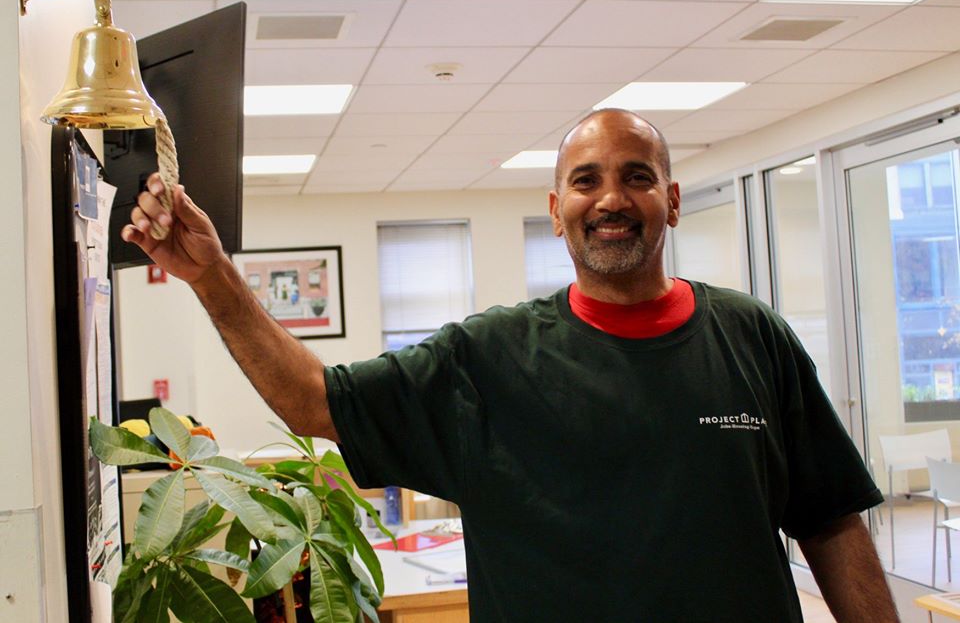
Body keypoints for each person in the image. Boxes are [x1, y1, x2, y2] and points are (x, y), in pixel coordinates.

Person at [123, 108, 899, 622]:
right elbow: (311, 400)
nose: (612, 197)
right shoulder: (484, 360)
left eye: (636, 175)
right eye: (587, 180)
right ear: (557, 208)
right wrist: (214, 277)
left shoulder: (752, 335)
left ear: (673, 198)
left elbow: (832, 519)